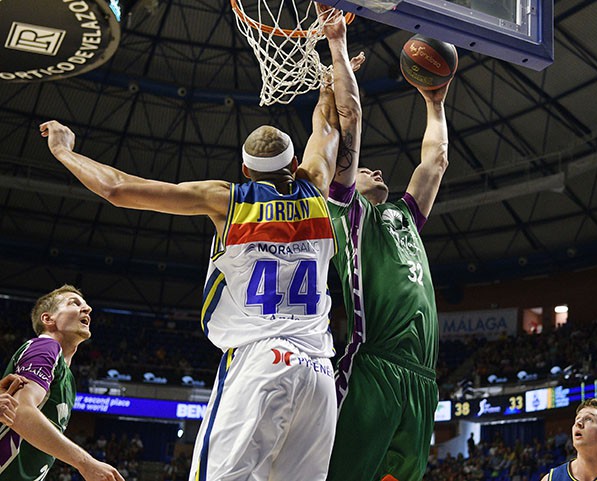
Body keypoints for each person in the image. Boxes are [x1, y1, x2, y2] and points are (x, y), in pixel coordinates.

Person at [40, 15, 350, 477]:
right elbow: (329, 127)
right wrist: (331, 76)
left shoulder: (225, 199)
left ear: (245, 171)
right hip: (321, 371)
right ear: (293, 166)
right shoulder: (317, 188)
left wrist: (65, 152)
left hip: (261, 360)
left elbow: (119, 189)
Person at [324, 13, 454, 479]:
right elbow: (351, 121)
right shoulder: (348, 214)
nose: (374, 170)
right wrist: (338, 46)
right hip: (373, 367)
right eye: (364, 170)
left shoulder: (405, 216)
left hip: (422, 379)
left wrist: (435, 102)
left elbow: (435, 161)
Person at [0, 285, 124, 481]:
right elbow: (20, 411)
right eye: (74, 303)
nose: (87, 309)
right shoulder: (45, 346)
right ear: (48, 319)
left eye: (85, 304)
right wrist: (86, 463)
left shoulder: (69, 380)